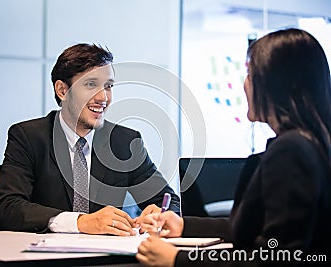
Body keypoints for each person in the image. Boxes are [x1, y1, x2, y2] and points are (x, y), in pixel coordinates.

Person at [136, 28, 331, 266]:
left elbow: (276, 257)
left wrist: (178, 259)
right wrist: (184, 225)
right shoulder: (311, 144)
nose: (244, 84)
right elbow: (254, 227)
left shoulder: (292, 151)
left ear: (273, 83)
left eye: (250, 74)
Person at [0, 43, 180, 235]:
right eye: (91, 84)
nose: (103, 97)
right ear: (62, 90)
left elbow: (169, 200)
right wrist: (81, 222)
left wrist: (160, 215)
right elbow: (8, 207)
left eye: (108, 86)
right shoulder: (28, 137)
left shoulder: (125, 142)